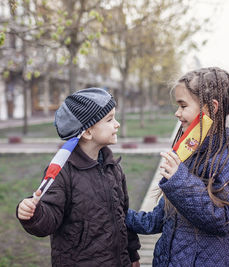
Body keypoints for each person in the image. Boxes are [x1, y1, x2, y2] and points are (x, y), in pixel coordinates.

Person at [125, 67, 229, 266]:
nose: (177, 113)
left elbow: (223, 221)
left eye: (183, 105)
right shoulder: (187, 154)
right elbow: (159, 219)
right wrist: (120, 215)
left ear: (211, 108)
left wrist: (179, 181)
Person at [16, 88, 141, 266]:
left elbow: (123, 216)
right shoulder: (63, 172)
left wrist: (132, 254)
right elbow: (49, 220)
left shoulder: (113, 167)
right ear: (88, 132)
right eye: (110, 119)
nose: (117, 124)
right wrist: (34, 214)